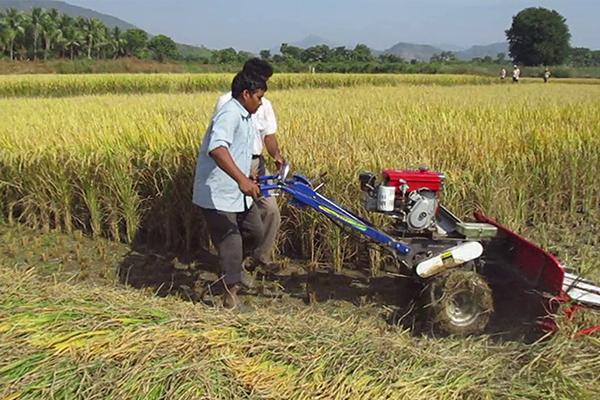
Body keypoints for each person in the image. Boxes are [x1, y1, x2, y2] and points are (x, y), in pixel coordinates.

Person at [193, 72, 267, 311]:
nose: (261, 102)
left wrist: (249, 176)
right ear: (246, 94)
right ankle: (230, 298)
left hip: (237, 194)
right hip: (218, 193)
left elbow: (239, 151)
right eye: (259, 97)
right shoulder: (229, 113)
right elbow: (217, 148)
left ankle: (233, 270)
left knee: (256, 231)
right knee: (231, 242)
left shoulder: (246, 116)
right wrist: (240, 180)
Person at [213, 58, 285, 272]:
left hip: (257, 162)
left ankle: (260, 256)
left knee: (271, 210)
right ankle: (236, 264)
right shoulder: (226, 103)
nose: (265, 85)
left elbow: (268, 135)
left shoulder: (264, 103)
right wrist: (241, 175)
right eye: (262, 79)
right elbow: (220, 142)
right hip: (235, 163)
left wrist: (277, 155)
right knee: (237, 215)